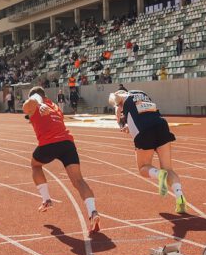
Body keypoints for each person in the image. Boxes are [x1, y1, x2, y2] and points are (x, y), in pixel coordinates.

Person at [23, 86, 100, 232]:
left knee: (35, 165)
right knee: (78, 181)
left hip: (49, 143)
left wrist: (38, 103)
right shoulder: (55, 106)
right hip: (67, 144)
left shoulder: (36, 102)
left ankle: (46, 200)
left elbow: (32, 101)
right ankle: (92, 212)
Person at [109, 88, 188, 214]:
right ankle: (180, 197)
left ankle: (159, 174)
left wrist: (121, 124)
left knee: (143, 167)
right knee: (169, 168)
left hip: (144, 131)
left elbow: (117, 108)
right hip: (160, 125)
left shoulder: (121, 98)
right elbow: (143, 113)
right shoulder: (141, 94)